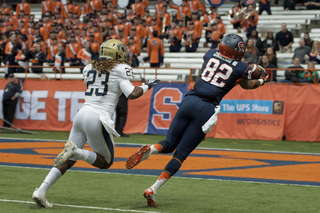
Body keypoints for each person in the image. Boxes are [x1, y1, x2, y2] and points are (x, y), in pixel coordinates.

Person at [125, 34, 268, 207]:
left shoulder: (210, 54)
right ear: (237, 51)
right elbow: (248, 82)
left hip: (189, 100)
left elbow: (229, 69)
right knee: (181, 154)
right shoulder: (241, 68)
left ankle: (150, 149)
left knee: (169, 143)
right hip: (206, 108)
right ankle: (153, 189)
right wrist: (260, 80)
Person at [32, 39, 160, 208]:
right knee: (105, 162)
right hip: (98, 117)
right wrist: (147, 85)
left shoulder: (89, 67)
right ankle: (77, 152)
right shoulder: (121, 69)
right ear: (117, 54)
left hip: (82, 113)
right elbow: (131, 94)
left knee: (68, 159)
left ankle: (41, 190)